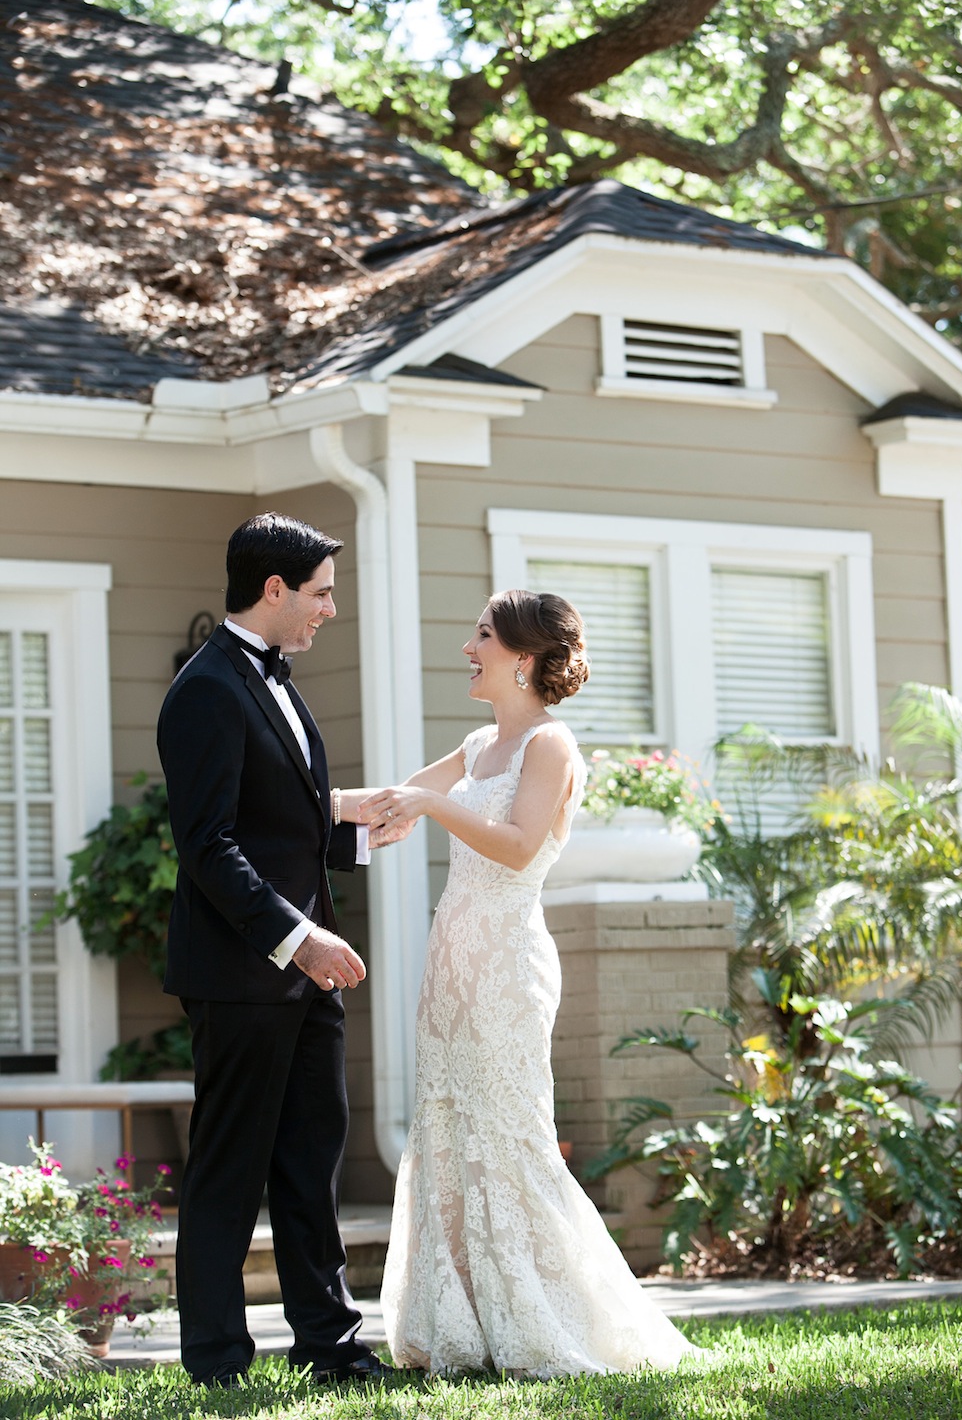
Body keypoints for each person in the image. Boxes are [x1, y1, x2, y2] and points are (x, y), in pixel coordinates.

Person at [355, 588, 711, 1376]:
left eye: (480, 635)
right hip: (450, 957)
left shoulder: (552, 745)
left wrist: (430, 807)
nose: (467, 648)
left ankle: (545, 1317)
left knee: (508, 1131)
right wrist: (295, 794)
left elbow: (517, 847)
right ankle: (462, 1324)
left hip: (508, 962)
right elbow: (387, 800)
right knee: (447, 1129)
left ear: (521, 657)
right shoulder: (480, 742)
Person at [157, 512, 396, 1388]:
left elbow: (278, 816)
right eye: (323, 593)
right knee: (229, 1172)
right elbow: (209, 844)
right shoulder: (206, 689)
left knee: (310, 1163)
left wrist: (359, 825)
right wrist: (299, 941)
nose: (331, 608)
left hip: (306, 976)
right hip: (244, 973)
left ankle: (330, 1349)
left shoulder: (279, 684)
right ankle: (218, 1362)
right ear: (274, 589)